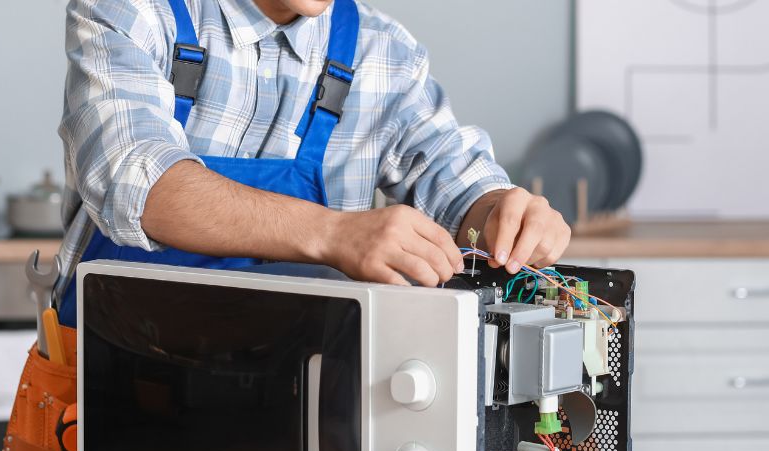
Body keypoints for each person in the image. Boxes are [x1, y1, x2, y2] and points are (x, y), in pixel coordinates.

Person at [55, 0, 571, 325]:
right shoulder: (133, 11)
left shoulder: (382, 52)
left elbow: (457, 186)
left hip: (301, 408)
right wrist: (333, 235)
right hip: (113, 402)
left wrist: (504, 211)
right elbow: (134, 178)